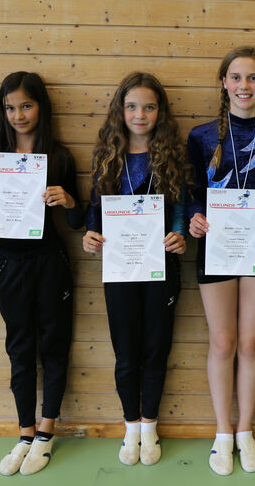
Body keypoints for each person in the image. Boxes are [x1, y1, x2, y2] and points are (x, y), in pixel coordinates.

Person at [0, 71, 83, 476]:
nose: (18, 115)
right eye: (10, 107)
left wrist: (68, 201)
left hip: (50, 261)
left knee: (54, 343)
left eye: (26, 105)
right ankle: (25, 432)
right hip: (10, 263)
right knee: (19, 347)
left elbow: (79, 220)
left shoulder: (59, 157)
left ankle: (47, 431)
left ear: (41, 107)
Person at [186, 46, 255, 475]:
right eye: (236, 77)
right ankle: (222, 433)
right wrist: (196, 217)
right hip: (215, 247)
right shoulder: (201, 137)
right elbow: (192, 192)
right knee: (222, 342)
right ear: (224, 83)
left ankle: (245, 430)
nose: (244, 86)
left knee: (250, 343)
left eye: (252, 77)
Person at [82, 72, 191, 466]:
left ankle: (150, 426)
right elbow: (95, 210)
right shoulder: (106, 157)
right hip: (120, 270)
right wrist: (90, 235)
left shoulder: (171, 156)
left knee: (155, 349)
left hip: (161, 267)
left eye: (148, 107)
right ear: (120, 110)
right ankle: (130, 426)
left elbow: (179, 208)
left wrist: (180, 235)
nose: (140, 114)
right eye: (131, 106)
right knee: (125, 351)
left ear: (160, 112)